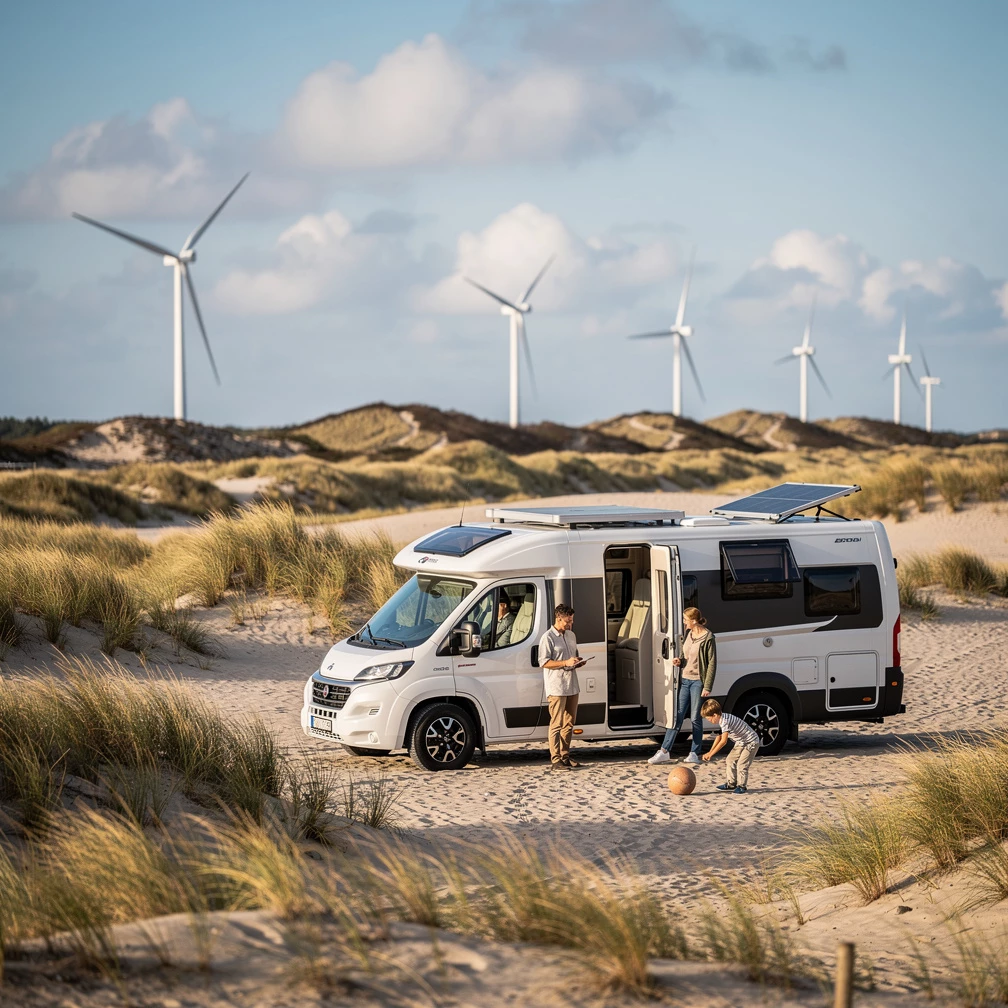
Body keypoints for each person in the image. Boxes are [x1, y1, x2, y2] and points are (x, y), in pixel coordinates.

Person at [647, 607, 717, 765]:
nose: (684, 623)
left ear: (693, 621)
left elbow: (712, 663)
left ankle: (694, 752)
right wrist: (680, 661)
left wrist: (707, 686)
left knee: (695, 718)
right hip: (685, 680)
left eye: (686, 620)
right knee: (677, 716)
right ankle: (664, 751)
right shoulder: (689, 634)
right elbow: (686, 655)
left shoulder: (708, 637)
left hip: (698, 681)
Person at [538, 603, 583, 770]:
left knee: (569, 723)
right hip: (556, 686)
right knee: (556, 723)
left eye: (571, 621)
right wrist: (565, 662)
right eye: (567, 621)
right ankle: (555, 759)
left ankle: (565, 756)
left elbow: (572, 657)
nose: (570, 624)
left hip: (572, 684)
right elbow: (543, 662)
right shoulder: (547, 637)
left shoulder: (571, 635)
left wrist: (576, 662)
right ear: (558, 619)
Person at [699, 698, 761, 795]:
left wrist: (711, 754)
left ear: (715, 715)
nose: (709, 721)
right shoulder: (722, 720)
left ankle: (742, 786)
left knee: (742, 764)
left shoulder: (725, 721)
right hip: (741, 742)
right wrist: (709, 752)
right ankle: (731, 784)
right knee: (730, 760)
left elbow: (723, 741)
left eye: (709, 718)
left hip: (751, 742)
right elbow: (718, 738)